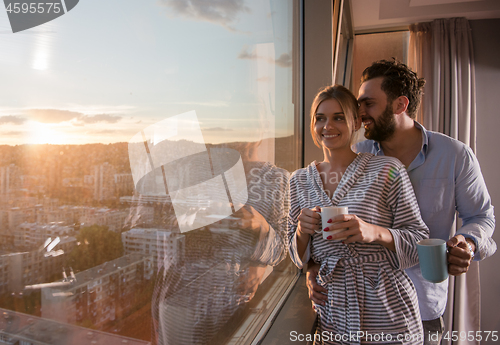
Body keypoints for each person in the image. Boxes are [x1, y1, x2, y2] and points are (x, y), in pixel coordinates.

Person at [306, 60, 496, 345]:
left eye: (368, 103)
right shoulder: (355, 155)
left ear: (400, 105)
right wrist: (312, 268)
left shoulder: (455, 155)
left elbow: (482, 217)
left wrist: (467, 243)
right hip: (365, 309)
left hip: (423, 305)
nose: (359, 112)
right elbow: (327, 226)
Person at [288, 84, 429, 344]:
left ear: (356, 122)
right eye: (320, 118)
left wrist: (373, 232)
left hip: (388, 311)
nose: (327, 126)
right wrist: (301, 231)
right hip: (333, 312)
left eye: (338, 117)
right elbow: (297, 257)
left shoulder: (388, 169)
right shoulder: (299, 181)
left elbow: (419, 240)